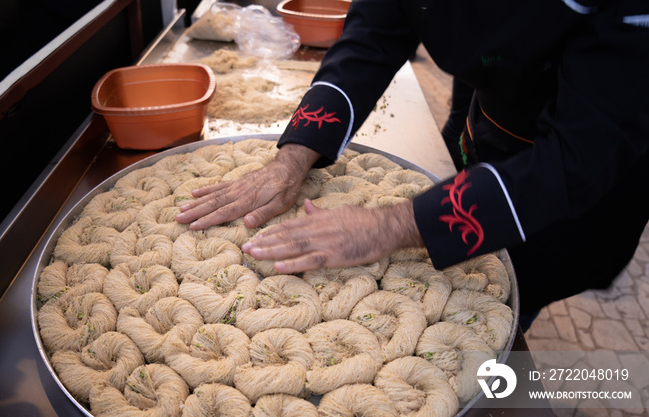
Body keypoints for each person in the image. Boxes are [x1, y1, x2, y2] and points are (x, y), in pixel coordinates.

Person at [176, 0, 649, 330]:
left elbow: (582, 155)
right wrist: (296, 153)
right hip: (491, 124)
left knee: (512, 298)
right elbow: (372, 36)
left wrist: (393, 225)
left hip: (589, 180)